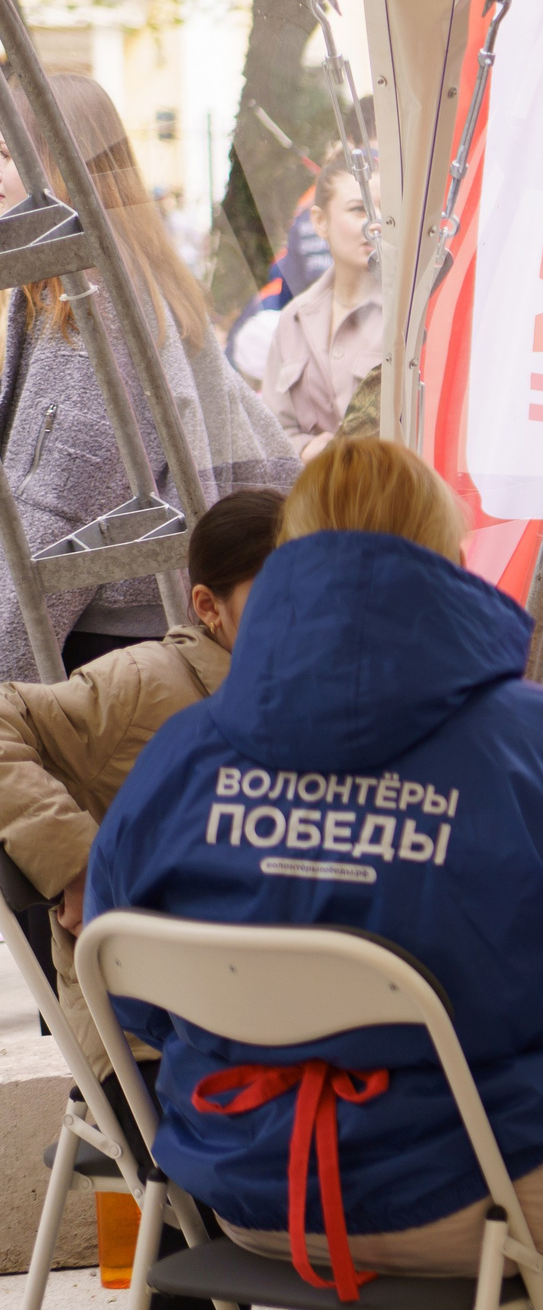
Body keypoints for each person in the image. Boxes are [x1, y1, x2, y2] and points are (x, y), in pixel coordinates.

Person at [86, 440, 543, 1308]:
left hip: (253, 1189)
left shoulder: (179, 759)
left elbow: (136, 1001)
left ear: (292, 563)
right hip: (494, 1188)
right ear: (449, 560)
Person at [0, 73, 300, 681]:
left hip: (110, 649)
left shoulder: (91, 300)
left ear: (57, 165)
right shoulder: (114, 271)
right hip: (151, 623)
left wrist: (8, 679)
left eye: (6, 152)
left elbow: (60, 511)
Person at [0, 486, 281, 1076]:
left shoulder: (331, 695)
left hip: (286, 1015)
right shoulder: (144, 682)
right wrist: (79, 865)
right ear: (208, 606)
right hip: (156, 1040)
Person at [261, 157, 386, 456]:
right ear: (320, 221)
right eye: (359, 209)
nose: (376, 223)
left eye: (389, 211)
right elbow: (271, 432)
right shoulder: (295, 318)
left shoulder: (414, 316)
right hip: (315, 495)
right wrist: (306, 450)